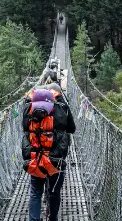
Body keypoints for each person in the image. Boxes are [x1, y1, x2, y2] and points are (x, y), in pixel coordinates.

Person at [21, 83, 76, 221]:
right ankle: (53, 218)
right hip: (56, 160)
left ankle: (33, 219)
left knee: (35, 193)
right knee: (54, 192)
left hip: (36, 159)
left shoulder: (29, 109)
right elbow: (72, 129)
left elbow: (25, 129)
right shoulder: (62, 107)